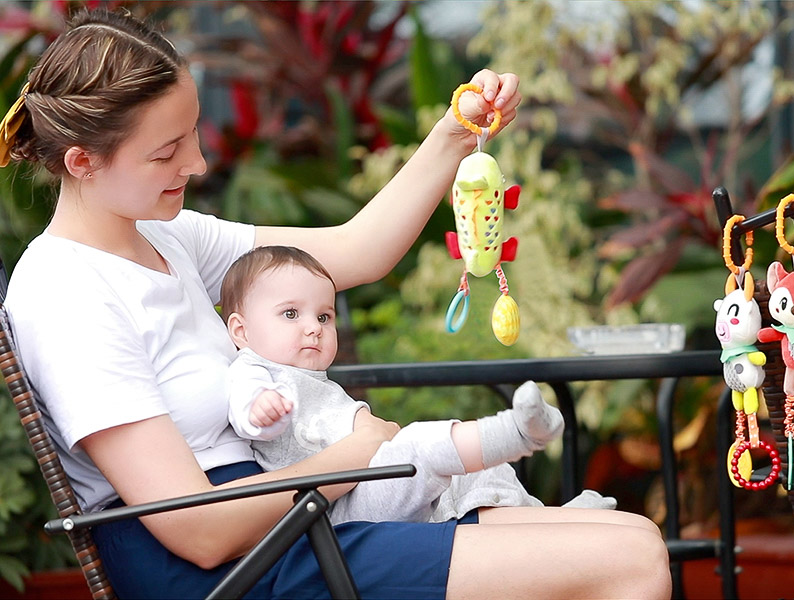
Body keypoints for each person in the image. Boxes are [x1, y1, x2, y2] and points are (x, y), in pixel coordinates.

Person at [0, 8, 671, 599]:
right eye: (167, 152)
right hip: (226, 567)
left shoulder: (165, 236)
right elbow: (198, 529)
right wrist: (358, 454)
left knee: (635, 538)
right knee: (626, 563)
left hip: (290, 512)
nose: (198, 164)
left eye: (194, 132)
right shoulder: (66, 292)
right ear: (83, 162)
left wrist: (455, 133)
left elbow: (355, 250)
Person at [221, 245, 616, 524]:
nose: (314, 327)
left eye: (324, 317)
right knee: (419, 446)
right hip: (332, 510)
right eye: (291, 314)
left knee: (476, 471)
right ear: (241, 330)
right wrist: (262, 409)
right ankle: (519, 433)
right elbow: (247, 409)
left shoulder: (315, 381)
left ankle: (553, 521)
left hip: (368, 484)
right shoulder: (255, 371)